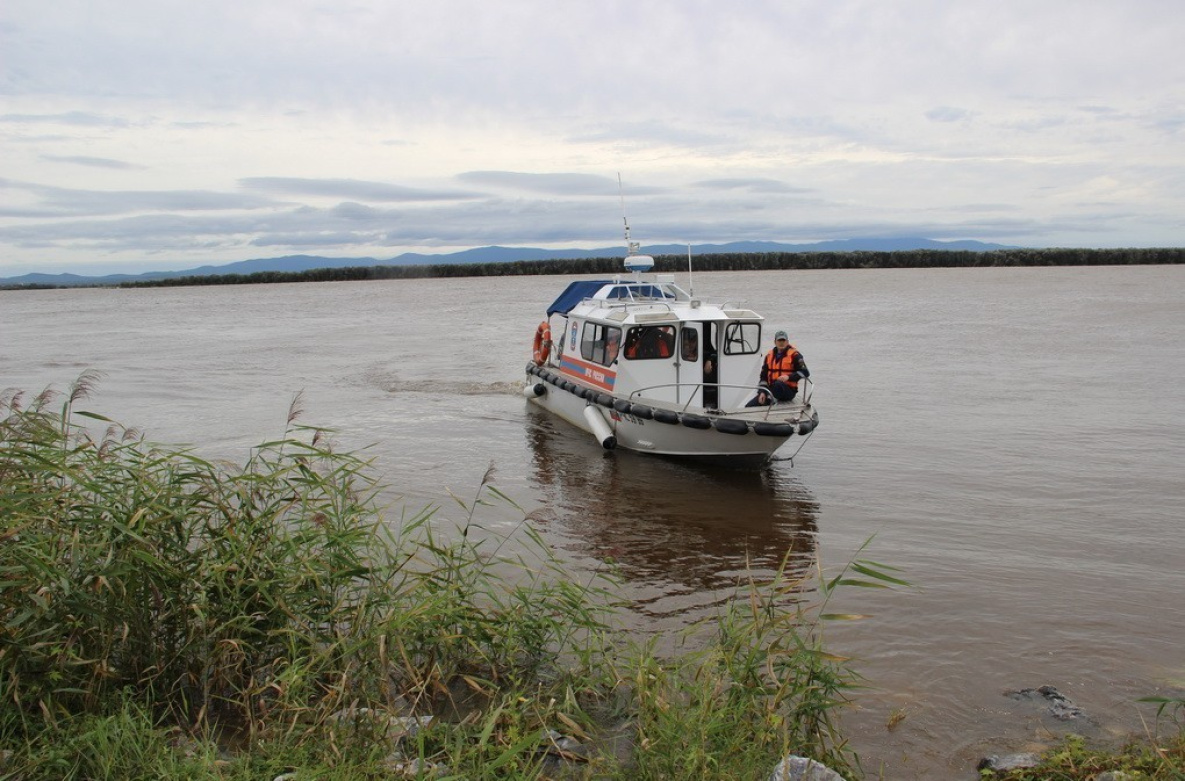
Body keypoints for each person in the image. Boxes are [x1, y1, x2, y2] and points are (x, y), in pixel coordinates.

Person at [746, 330, 809, 406]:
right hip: (771, 390)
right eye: (779, 340)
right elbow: (763, 377)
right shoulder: (769, 356)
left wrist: (788, 377)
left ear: (787, 342)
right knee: (749, 406)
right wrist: (762, 392)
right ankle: (767, 398)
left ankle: (769, 401)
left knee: (778, 385)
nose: (781, 342)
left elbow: (805, 372)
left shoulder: (795, 355)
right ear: (775, 342)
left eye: (783, 340)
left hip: (788, 391)